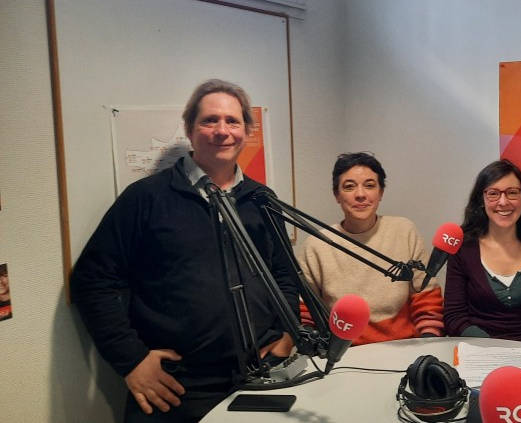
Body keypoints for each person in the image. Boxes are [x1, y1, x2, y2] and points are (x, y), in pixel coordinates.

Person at [70, 79, 299, 422]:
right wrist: (131, 360)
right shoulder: (146, 198)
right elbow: (92, 281)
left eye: (232, 121)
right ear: (190, 130)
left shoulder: (261, 199)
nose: (222, 131)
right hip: (178, 388)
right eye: (209, 120)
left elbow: (285, 273)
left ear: (246, 131)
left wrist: (287, 334)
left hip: (260, 376)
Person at [296, 152, 444, 345]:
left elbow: (426, 299)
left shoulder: (403, 231)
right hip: (345, 355)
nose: (360, 195)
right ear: (337, 195)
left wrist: (427, 345)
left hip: (404, 348)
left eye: (369, 185)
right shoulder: (316, 246)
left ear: (381, 193)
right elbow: (306, 314)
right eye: (349, 187)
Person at [443, 159, 521, 344]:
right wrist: (493, 348)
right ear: (481, 199)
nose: (503, 202)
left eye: (512, 193)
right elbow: (454, 316)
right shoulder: (462, 244)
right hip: (478, 348)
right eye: (493, 194)